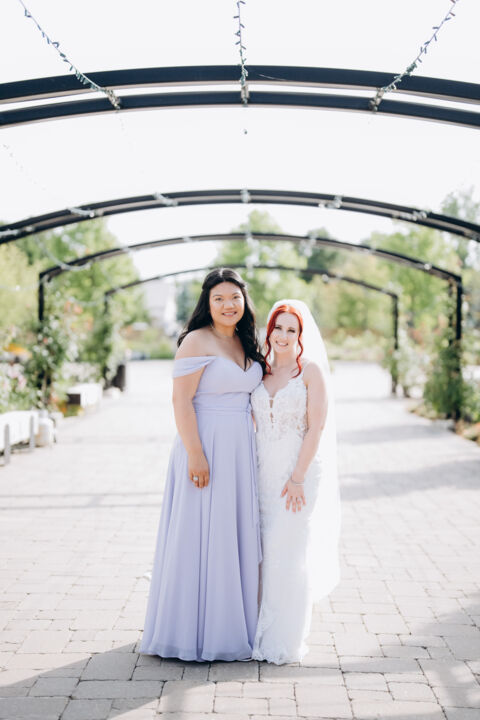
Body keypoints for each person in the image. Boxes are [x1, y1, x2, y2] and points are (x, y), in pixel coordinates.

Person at [140, 268, 265, 662]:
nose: (228, 305)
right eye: (219, 299)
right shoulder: (196, 340)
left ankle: (230, 625)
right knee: (200, 533)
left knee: (232, 532)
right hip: (205, 444)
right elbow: (181, 401)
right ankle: (190, 630)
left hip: (241, 451)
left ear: (244, 301)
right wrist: (195, 453)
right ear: (207, 304)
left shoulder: (247, 341)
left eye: (234, 297)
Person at [251, 299, 341, 664]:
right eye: (279, 327)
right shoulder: (259, 371)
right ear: (269, 330)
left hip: (298, 473)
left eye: (292, 329)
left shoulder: (310, 372)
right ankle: (255, 629)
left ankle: (283, 639)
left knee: (287, 550)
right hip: (263, 472)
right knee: (264, 552)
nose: (283, 335)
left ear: (301, 335)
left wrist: (298, 477)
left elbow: (316, 427)